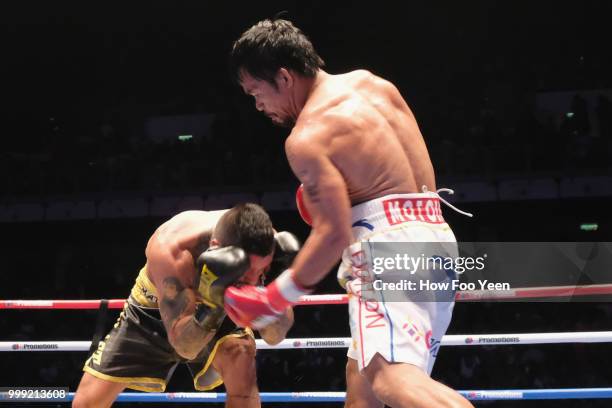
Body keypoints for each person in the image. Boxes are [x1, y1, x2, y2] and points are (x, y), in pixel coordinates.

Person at [224, 19, 474, 408]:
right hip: (435, 238)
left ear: (285, 78)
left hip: (386, 248)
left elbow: (334, 233)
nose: (258, 106)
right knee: (364, 392)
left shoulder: (308, 136)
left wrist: (275, 296)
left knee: (391, 379)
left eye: (256, 92)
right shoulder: (375, 85)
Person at [72, 203, 299, 408]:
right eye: (245, 274)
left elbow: (275, 337)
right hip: (152, 312)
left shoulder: (263, 243)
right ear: (215, 248)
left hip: (220, 303)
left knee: (240, 355)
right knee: (86, 402)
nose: (252, 282)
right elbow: (184, 347)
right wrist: (213, 304)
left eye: (260, 273)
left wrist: (269, 302)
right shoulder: (171, 249)